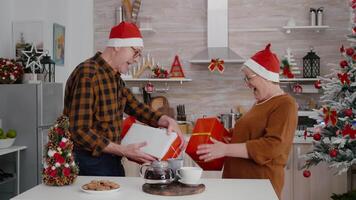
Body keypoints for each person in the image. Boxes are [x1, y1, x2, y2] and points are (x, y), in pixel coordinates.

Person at [63, 21, 184, 176]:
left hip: (111, 160)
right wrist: (122, 150)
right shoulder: (88, 74)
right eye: (136, 52)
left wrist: (165, 120)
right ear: (117, 46)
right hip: (89, 163)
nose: (136, 60)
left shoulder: (115, 77)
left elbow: (135, 106)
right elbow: (79, 131)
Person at [196, 44, 298, 199]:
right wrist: (223, 136)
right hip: (238, 183)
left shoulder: (285, 104)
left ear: (266, 76)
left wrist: (225, 149)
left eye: (249, 78)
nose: (247, 84)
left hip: (259, 186)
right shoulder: (260, 102)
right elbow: (246, 134)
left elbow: (272, 146)